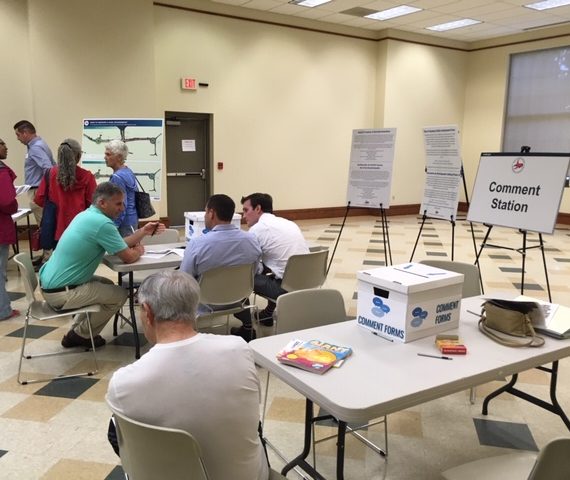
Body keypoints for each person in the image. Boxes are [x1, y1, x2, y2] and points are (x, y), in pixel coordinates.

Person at [106, 270, 269, 480]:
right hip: (251, 476)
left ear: (147, 312)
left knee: (116, 428)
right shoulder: (239, 348)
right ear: (194, 307)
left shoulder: (125, 382)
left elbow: (119, 440)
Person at [39, 182, 164, 348]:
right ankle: (80, 335)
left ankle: (78, 330)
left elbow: (117, 244)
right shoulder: (102, 223)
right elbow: (128, 257)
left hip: (51, 286)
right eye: (118, 203)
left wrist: (143, 232)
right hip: (62, 293)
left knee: (107, 284)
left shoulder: (87, 215)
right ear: (102, 203)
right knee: (119, 295)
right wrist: (138, 251)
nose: (122, 208)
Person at [239, 192, 309, 327]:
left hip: (285, 288)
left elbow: (249, 268)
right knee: (273, 270)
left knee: (241, 277)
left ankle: (246, 328)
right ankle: (267, 314)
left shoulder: (257, 230)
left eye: (246, 210)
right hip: (309, 282)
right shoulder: (289, 223)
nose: (243, 216)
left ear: (258, 209)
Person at [35, 139, 96, 252]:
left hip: (56, 228)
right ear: (78, 156)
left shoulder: (50, 174)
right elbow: (93, 205)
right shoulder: (87, 177)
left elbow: (39, 199)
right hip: (81, 228)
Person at [13, 120, 55, 263]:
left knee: (44, 225)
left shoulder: (35, 148)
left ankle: (48, 259)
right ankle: (47, 255)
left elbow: (48, 168)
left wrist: (46, 190)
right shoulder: (40, 144)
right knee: (45, 224)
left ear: (25, 133)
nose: (17, 138)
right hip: (40, 190)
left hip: (38, 191)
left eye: (18, 135)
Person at [0, 139, 20, 321]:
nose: (6, 147)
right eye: (2, 144)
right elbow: (6, 201)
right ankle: (3, 310)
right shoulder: (1, 171)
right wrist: (14, 206)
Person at [105, 139, 138, 236]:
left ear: (119, 157)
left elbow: (121, 205)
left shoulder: (117, 177)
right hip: (132, 220)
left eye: (108, 154)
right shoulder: (128, 171)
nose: (105, 157)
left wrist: (114, 226)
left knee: (123, 251)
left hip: (123, 225)